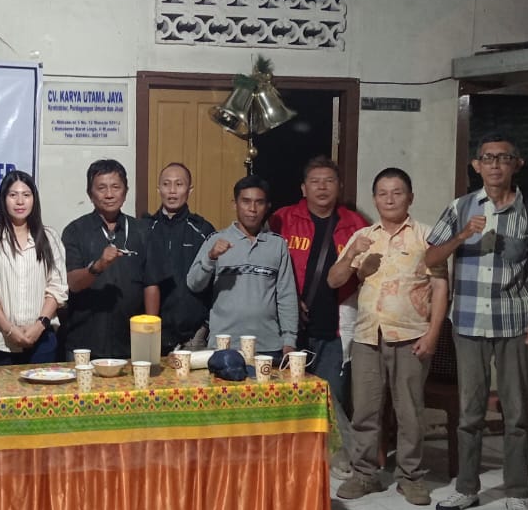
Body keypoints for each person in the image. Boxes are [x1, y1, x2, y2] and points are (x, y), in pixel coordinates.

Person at [427, 134, 528, 510]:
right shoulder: (461, 207)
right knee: (470, 412)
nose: (495, 165)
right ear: (476, 165)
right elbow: (430, 256)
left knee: (516, 413)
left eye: (504, 158)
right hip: (468, 322)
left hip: (515, 322)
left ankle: (517, 493)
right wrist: (462, 236)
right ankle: (466, 487)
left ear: (517, 164)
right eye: (488, 158)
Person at [329, 167, 448, 506]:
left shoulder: (427, 236)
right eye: (383, 193)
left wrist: (434, 334)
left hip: (412, 336)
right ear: (375, 199)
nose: (390, 199)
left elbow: (441, 287)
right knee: (365, 411)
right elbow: (334, 280)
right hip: (368, 336)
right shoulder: (363, 236)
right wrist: (352, 254)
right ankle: (364, 474)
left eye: (397, 192)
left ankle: (410, 477)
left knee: (409, 411)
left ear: (410, 197)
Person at [269, 155, 367, 477]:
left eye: (329, 181)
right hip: (290, 326)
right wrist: (288, 300)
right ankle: (289, 457)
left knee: (331, 396)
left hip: (335, 326)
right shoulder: (283, 219)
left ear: (339, 186)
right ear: (303, 188)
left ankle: (334, 458)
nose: (322, 187)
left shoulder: (356, 225)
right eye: (315, 181)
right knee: (287, 394)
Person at [186, 176, 298, 361]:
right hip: (224, 343)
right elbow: (193, 284)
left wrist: (289, 340)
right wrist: (210, 258)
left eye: (259, 202)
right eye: (246, 201)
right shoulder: (216, 240)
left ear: (267, 207)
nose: (252, 209)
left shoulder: (277, 245)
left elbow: (286, 295)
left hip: (268, 345)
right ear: (235, 204)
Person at [0, 170, 68, 365]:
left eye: (26, 195)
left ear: (34, 199)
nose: (20, 201)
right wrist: (9, 329)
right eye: (13, 195)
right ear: (3, 199)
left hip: (42, 339)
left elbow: (57, 288)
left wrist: (39, 326)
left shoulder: (49, 238)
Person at [60, 160, 151, 359]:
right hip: (84, 344)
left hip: (131, 344)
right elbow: (72, 283)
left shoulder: (142, 231)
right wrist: (98, 266)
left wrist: (150, 332)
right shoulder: (75, 231)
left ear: (125, 191)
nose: (109, 194)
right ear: (90, 194)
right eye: (101, 188)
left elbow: (150, 283)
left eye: (115, 187)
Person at [144, 162, 214, 352]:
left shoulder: (202, 230)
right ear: (158, 189)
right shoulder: (144, 228)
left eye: (179, 184)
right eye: (166, 184)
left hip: (193, 336)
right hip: (150, 332)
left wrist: (206, 325)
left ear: (190, 190)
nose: (172, 191)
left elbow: (215, 282)